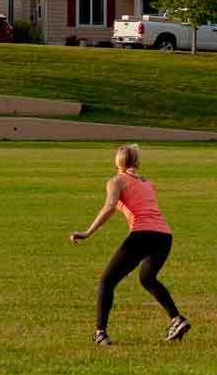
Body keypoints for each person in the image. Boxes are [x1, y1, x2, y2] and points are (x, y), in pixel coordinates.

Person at [71, 144, 190, 345]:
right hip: (163, 235)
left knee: (106, 282)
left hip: (143, 235)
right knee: (147, 278)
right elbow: (144, 215)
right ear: (137, 161)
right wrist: (129, 261)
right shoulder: (147, 183)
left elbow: (110, 207)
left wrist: (87, 232)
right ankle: (177, 319)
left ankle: (100, 333)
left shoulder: (116, 181)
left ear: (117, 161)